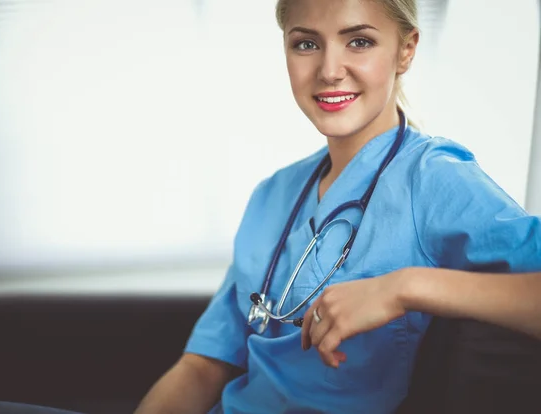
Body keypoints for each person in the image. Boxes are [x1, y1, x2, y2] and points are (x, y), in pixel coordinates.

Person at [135, 0, 541, 413]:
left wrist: (403, 287)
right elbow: (203, 367)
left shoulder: (435, 179)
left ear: (406, 50)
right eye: (306, 44)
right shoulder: (272, 194)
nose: (329, 70)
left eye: (359, 41)